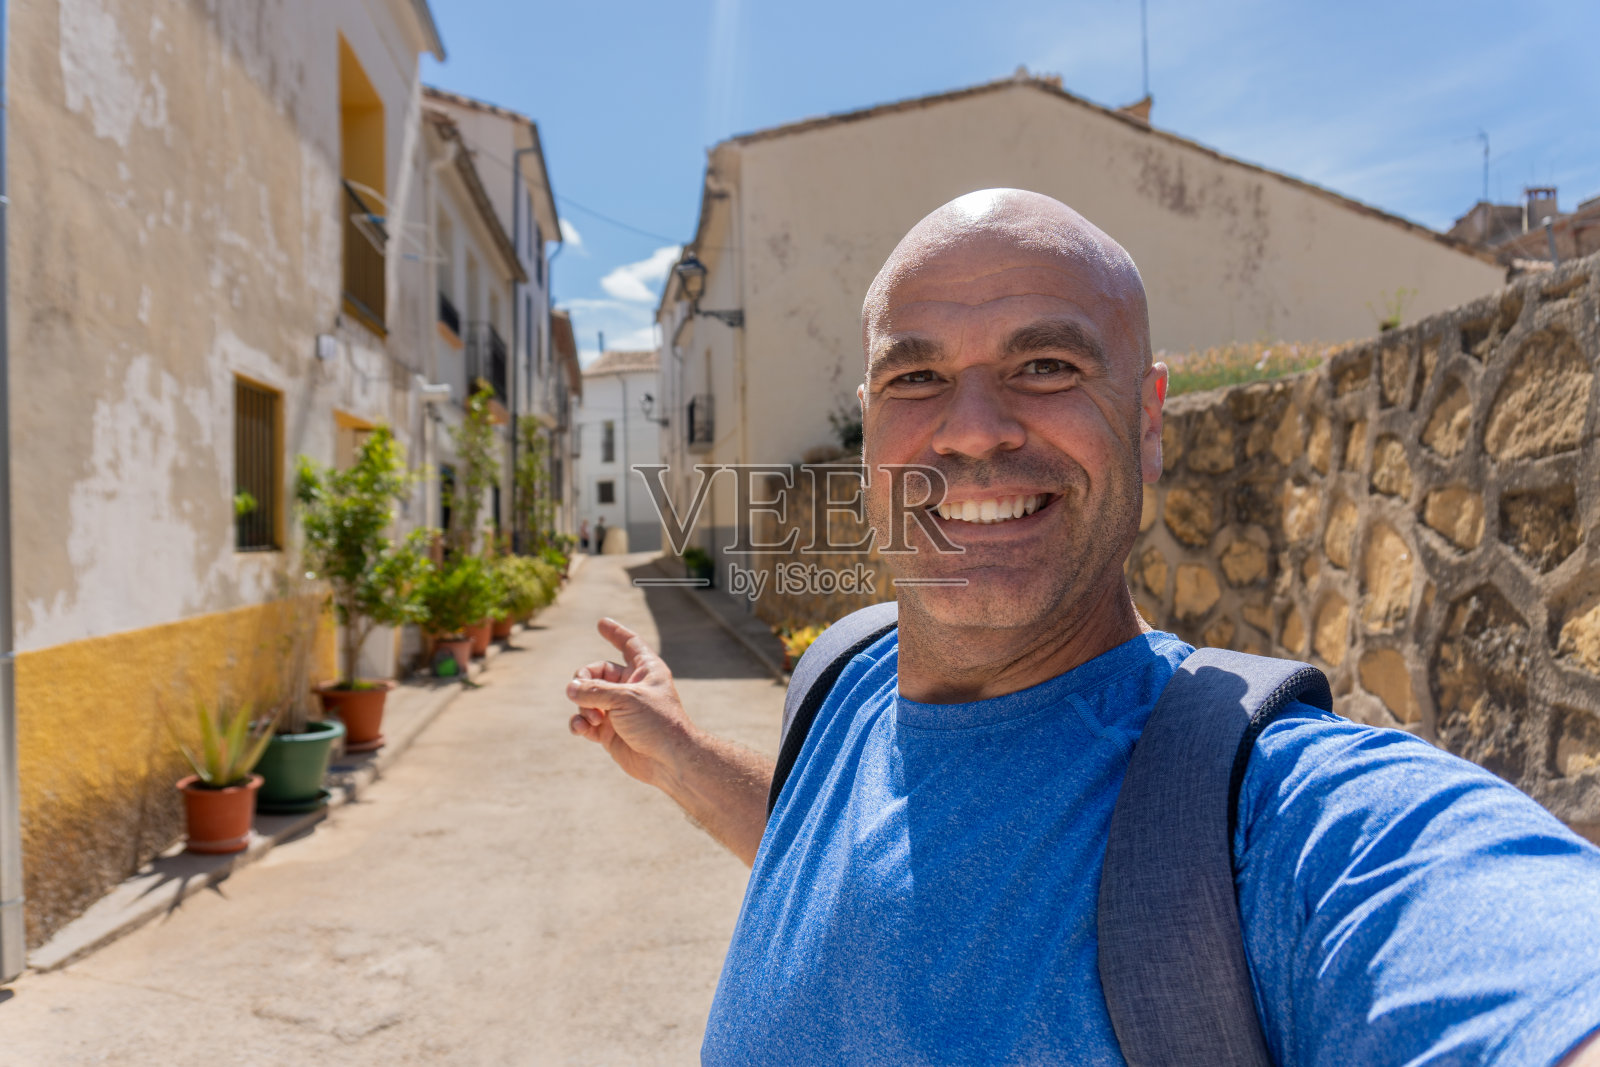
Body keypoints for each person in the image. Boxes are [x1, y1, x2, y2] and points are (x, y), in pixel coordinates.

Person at [564, 189, 1600, 1065]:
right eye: (915, 375)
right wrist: (684, 755)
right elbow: (850, 864)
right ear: (872, 426)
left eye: (1046, 366)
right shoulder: (843, 676)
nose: (971, 428)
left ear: (1146, 423)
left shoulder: (1281, 818)